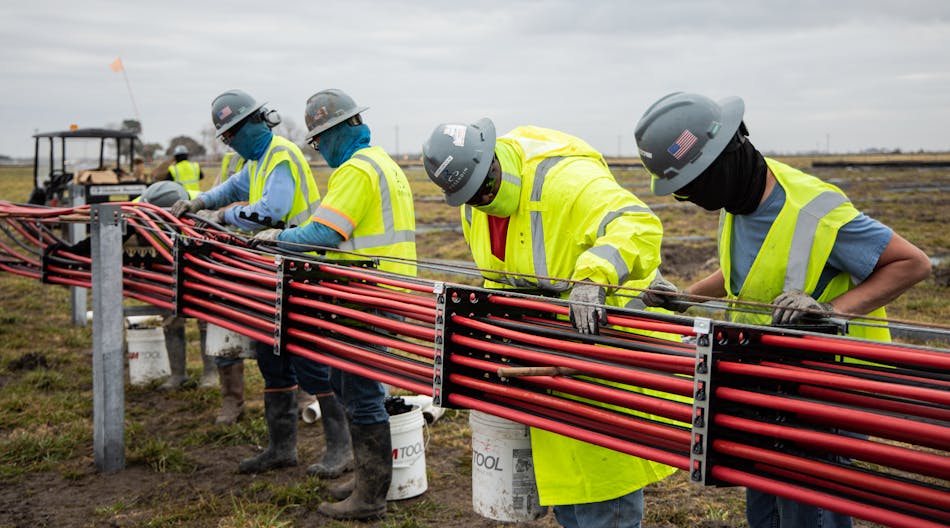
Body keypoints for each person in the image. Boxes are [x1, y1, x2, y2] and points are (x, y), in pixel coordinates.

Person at [633, 92, 932, 528]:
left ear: (727, 155)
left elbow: (912, 263)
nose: (694, 199)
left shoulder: (814, 210)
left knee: (809, 512)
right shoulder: (741, 196)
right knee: (768, 510)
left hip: (827, 388)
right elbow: (748, 268)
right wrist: (689, 296)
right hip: (768, 382)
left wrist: (829, 310)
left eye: (695, 184)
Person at [421, 118, 681, 528]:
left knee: (602, 489)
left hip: (607, 358)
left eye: (486, 186)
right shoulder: (474, 208)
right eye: (471, 196)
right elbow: (498, 277)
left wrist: (593, 276)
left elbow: (636, 223)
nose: (483, 199)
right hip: (551, 359)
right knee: (569, 495)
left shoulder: (565, 180)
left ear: (491, 158)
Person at [254, 88, 416, 520]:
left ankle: (369, 499)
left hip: (369, 299)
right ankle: (368, 478)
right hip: (384, 294)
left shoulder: (356, 170)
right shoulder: (384, 164)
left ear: (342, 130)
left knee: (360, 392)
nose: (319, 148)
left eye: (320, 138)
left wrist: (278, 239)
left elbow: (324, 233)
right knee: (353, 385)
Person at [169, 89, 326, 473]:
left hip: (298, 270)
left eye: (233, 133)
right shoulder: (256, 161)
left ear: (257, 122)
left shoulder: (281, 155)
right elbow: (233, 188)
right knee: (271, 361)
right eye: (226, 137)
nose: (230, 141)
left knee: (306, 361)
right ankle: (281, 449)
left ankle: (338, 449)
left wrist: (224, 216)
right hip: (271, 271)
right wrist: (200, 202)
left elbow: (271, 211)